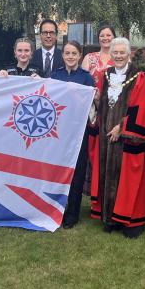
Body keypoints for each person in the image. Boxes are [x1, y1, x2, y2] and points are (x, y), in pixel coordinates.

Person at [91, 37, 145, 238]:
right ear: (110, 54)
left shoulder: (138, 77)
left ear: (129, 54)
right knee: (107, 174)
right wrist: (94, 100)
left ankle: (130, 221)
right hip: (105, 138)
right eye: (115, 53)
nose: (118, 56)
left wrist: (121, 127)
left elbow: (141, 107)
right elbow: (101, 104)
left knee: (128, 177)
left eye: (122, 53)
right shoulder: (105, 75)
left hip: (127, 138)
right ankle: (110, 217)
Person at [51, 41, 96, 228]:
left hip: (79, 131)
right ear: (63, 56)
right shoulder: (55, 75)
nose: (70, 56)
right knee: (57, 171)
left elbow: (91, 103)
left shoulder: (86, 78)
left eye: (74, 53)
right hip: (57, 131)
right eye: (67, 53)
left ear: (79, 56)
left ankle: (72, 213)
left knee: (77, 172)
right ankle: (56, 209)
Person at [81, 25, 115, 196]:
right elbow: (82, 81)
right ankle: (91, 187)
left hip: (111, 111)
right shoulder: (90, 57)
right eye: (102, 35)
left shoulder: (120, 57)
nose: (105, 38)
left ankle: (107, 187)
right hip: (90, 111)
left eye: (108, 35)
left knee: (107, 148)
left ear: (114, 37)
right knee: (90, 148)